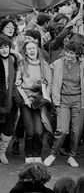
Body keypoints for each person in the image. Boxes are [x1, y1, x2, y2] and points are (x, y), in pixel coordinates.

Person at [44, 40, 84, 168]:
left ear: (77, 54)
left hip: (78, 100)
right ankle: (53, 154)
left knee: (76, 131)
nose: (69, 55)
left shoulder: (82, 65)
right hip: (62, 100)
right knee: (62, 129)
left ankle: (71, 156)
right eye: (67, 52)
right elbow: (46, 75)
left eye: (72, 53)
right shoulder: (57, 63)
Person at [16, 40, 52, 163]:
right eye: (29, 49)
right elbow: (17, 83)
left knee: (39, 131)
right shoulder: (22, 64)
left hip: (39, 100)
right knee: (30, 130)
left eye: (33, 48)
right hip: (25, 99)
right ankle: (28, 154)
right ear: (25, 52)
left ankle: (37, 154)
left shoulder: (44, 65)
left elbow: (49, 83)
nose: (31, 50)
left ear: (37, 50)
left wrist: (43, 89)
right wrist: (25, 98)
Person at [0, 35, 19, 165]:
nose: (4, 50)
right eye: (1, 47)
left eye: (6, 47)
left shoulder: (14, 59)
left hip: (11, 97)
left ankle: (1, 152)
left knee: (9, 126)